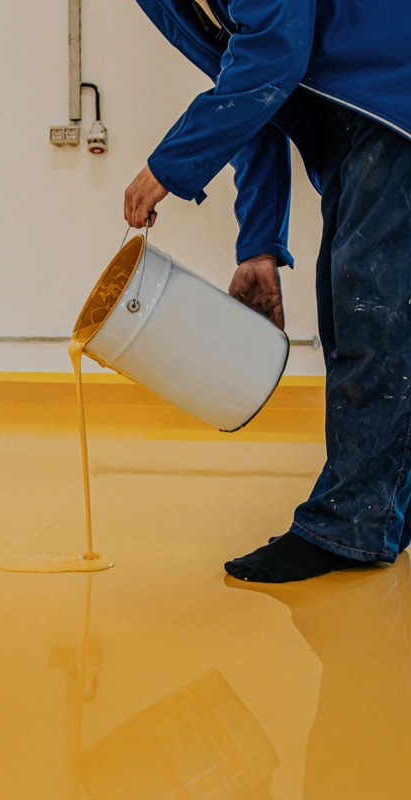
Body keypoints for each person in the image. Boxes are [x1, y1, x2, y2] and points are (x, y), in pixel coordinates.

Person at [126, 0, 411, 583]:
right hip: (355, 116)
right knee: (352, 310)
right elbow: (250, 92)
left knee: (370, 312)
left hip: (393, 94)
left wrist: (169, 166)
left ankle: (349, 525)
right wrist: (257, 246)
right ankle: (382, 513)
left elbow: (274, 56)